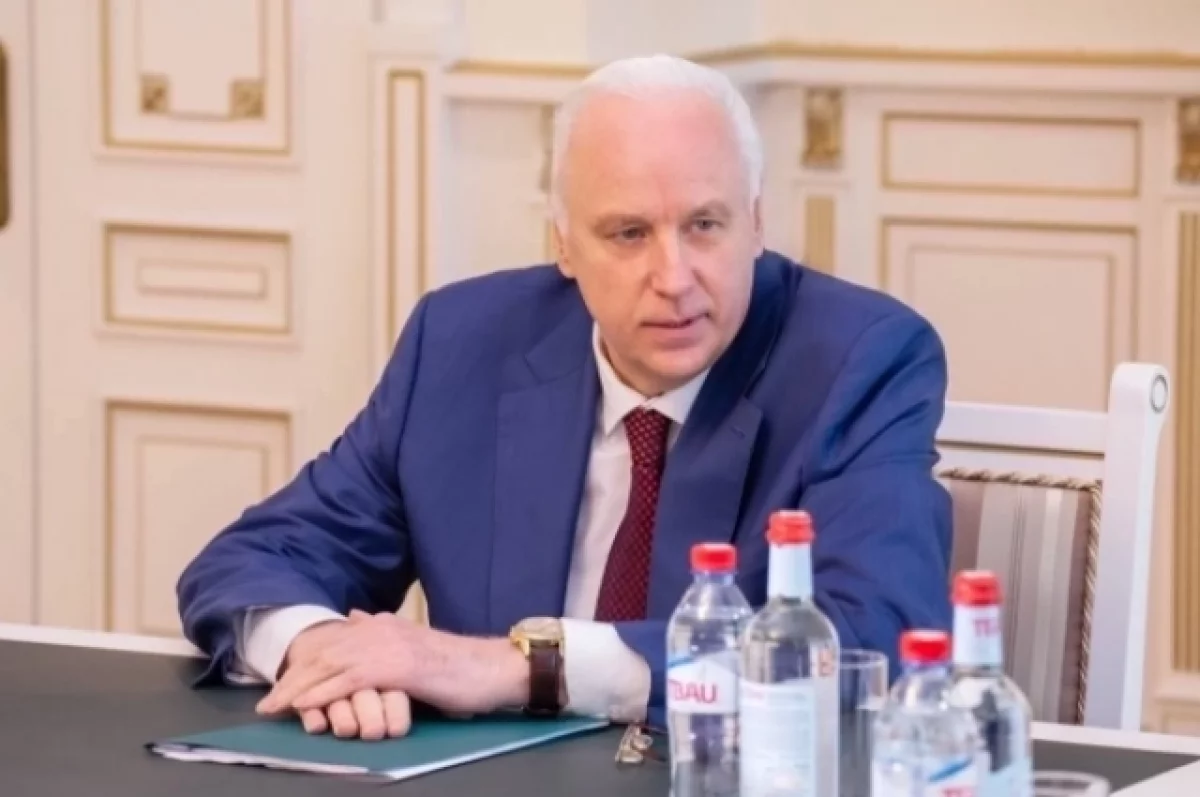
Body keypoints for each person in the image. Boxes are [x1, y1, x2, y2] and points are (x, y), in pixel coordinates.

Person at [176, 54, 953, 741]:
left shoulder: (860, 361)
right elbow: (255, 559)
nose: (674, 277)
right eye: (628, 233)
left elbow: (874, 641)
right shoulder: (462, 344)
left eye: (705, 225)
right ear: (563, 243)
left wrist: (520, 667)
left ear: (756, 222)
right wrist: (324, 651)